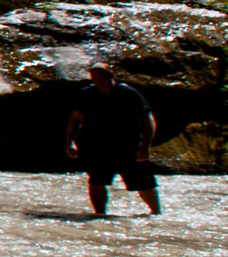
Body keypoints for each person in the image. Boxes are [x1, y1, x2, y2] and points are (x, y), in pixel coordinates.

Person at [65, 62, 160, 216]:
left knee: (144, 182)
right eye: (94, 78)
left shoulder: (129, 93)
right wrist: (70, 143)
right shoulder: (87, 93)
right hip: (97, 147)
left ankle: (156, 214)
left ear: (111, 75)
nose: (97, 81)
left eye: (101, 78)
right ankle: (100, 215)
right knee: (96, 181)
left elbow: (147, 119)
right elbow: (75, 119)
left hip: (128, 146)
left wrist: (145, 146)